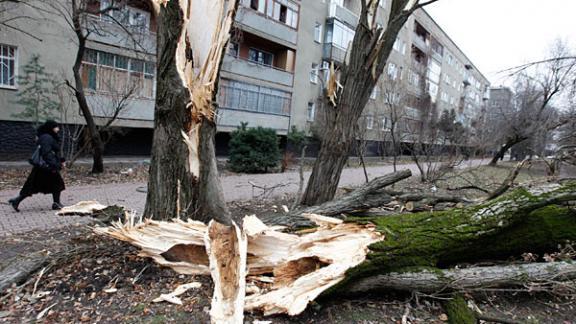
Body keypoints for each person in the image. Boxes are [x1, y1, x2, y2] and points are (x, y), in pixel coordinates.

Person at [8, 120, 66, 212]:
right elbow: (46, 153)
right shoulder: (47, 137)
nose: (58, 129)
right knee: (56, 184)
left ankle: (16, 201)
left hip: (43, 167)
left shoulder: (48, 136)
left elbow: (55, 152)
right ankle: (56, 203)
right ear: (51, 128)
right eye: (56, 127)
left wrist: (61, 160)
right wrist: (54, 164)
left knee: (34, 185)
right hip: (47, 167)